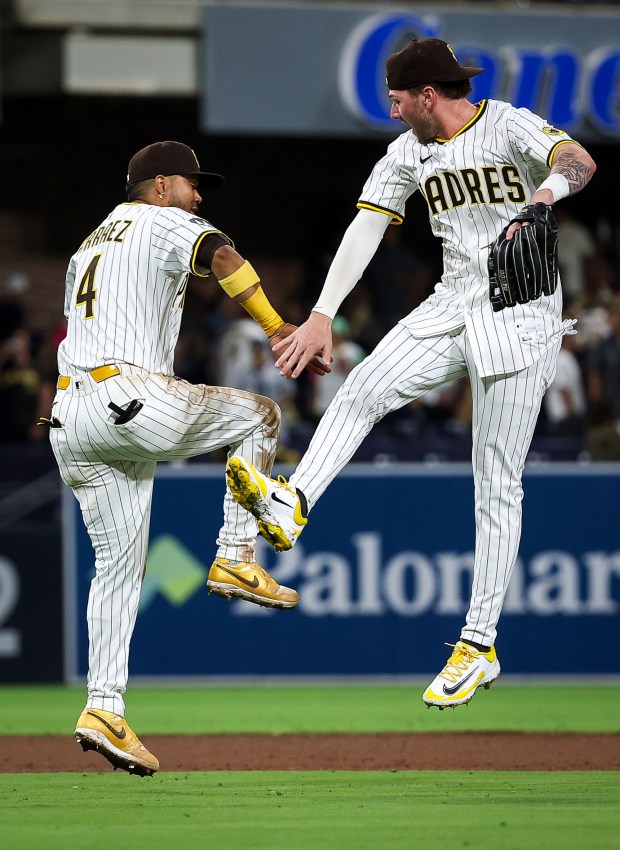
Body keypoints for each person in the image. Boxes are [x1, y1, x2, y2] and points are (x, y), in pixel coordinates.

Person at [224, 39, 596, 709]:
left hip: (521, 314)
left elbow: (578, 159)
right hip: (453, 299)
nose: (393, 112)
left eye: (398, 100)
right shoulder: (408, 152)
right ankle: (293, 501)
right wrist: (320, 315)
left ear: (428, 95)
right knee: (363, 387)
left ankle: (477, 646)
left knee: (496, 482)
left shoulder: (507, 124)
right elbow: (365, 228)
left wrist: (543, 194)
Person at [46, 140, 328, 776]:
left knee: (117, 568)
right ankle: (233, 558)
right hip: (127, 395)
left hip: (72, 418)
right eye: (193, 185)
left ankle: (103, 707)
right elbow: (223, 256)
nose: (199, 196)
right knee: (260, 415)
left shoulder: (86, 246)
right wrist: (279, 327)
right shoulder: (161, 219)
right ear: (159, 183)